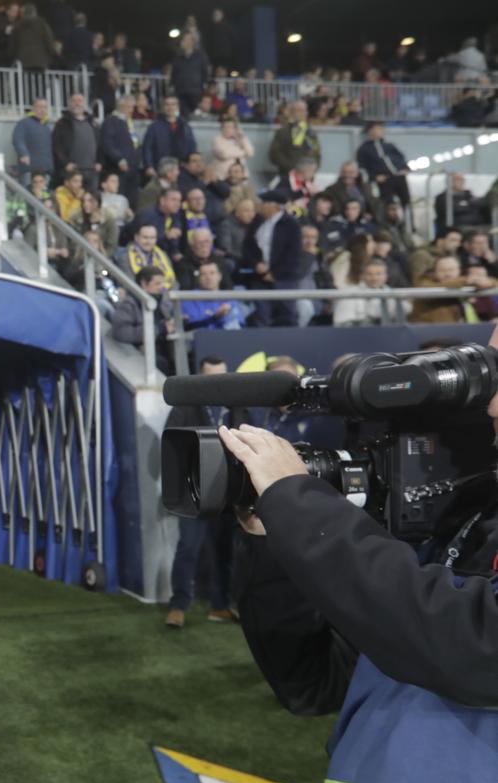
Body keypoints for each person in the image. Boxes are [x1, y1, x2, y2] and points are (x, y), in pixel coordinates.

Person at [218, 323, 498, 783]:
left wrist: (300, 507)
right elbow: (313, 682)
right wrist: (276, 541)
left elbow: (477, 646)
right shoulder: (469, 520)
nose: (491, 402)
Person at [164, 357, 242, 628]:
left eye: (221, 376)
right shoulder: (187, 405)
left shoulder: (236, 406)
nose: (217, 382)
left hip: (228, 493)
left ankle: (220, 605)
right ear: (201, 377)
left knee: (225, 551)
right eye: (211, 377)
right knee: (188, 548)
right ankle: (178, 606)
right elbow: (172, 441)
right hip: (194, 492)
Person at [243, 190, 302, 326]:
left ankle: (290, 344)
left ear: (275, 206)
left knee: (288, 315)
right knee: (261, 315)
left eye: (264, 203)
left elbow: (293, 254)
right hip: (260, 278)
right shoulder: (257, 221)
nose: (261, 205)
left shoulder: (291, 224)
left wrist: (275, 274)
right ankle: (263, 345)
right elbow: (248, 247)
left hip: (284, 278)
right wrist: (256, 264)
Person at [112, 264, 175, 372]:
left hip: (165, 350)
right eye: (157, 283)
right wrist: (158, 329)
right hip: (140, 355)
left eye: (162, 283)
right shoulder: (128, 304)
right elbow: (121, 332)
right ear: (144, 284)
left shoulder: (163, 304)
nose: (162, 287)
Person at [355, 121, 410, 210]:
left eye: (382, 128)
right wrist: (374, 177)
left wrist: (405, 168)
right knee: (386, 204)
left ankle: (404, 221)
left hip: (399, 177)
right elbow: (362, 167)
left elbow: (401, 157)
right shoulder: (364, 149)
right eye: (378, 128)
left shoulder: (389, 146)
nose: (381, 131)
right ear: (370, 131)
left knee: (405, 201)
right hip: (383, 180)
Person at [51, 93, 99, 193]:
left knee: (90, 202)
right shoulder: (62, 123)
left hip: (91, 172)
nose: (77, 104)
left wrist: (100, 162)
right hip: (71, 172)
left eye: (80, 101)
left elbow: (100, 144)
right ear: (69, 104)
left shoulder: (93, 123)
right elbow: (56, 146)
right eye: (74, 101)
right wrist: (65, 163)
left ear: (85, 104)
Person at [100, 94, 142, 206]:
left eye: (132, 107)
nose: (131, 110)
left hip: (132, 168)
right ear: (121, 106)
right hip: (118, 169)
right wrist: (119, 159)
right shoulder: (111, 121)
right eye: (129, 107)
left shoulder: (128, 122)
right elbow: (107, 144)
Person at [142, 96, 197, 177]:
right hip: (160, 169)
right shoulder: (154, 127)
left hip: (181, 170)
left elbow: (192, 147)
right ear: (163, 107)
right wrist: (149, 166)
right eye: (167, 104)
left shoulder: (185, 126)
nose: (170, 107)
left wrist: (191, 164)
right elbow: (147, 148)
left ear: (177, 107)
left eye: (173, 104)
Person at [269, 100, 321, 178]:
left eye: (304, 110)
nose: (302, 113)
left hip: (308, 176)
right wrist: (291, 168)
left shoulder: (310, 133)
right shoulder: (283, 132)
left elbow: (317, 153)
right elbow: (275, 154)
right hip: (287, 175)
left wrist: (312, 169)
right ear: (292, 112)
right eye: (299, 110)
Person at [434, 172, 489, 238]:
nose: (461, 182)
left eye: (462, 179)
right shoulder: (442, 198)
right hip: (457, 229)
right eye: (457, 179)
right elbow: (452, 210)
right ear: (449, 182)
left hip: (478, 227)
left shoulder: (469, 196)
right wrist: (470, 206)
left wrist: (465, 206)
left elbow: (482, 206)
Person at [171, 32, 211, 119]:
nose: (182, 42)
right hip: (180, 91)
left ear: (191, 42)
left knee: (197, 114)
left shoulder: (200, 56)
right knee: (183, 116)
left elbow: (205, 73)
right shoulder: (178, 57)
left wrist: (202, 85)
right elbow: (174, 74)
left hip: (195, 91)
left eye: (184, 40)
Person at [12, 97, 52, 182]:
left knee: (44, 195)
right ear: (33, 108)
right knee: (27, 193)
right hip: (29, 170)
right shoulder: (24, 123)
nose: (42, 110)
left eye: (44, 107)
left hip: (45, 171)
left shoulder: (47, 127)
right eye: (39, 107)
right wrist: (23, 154)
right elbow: (18, 140)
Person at [11, 3, 56, 75]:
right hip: (40, 61)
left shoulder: (17, 26)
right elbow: (48, 40)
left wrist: (13, 56)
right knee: (39, 84)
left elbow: (12, 45)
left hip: (23, 61)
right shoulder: (42, 24)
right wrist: (52, 53)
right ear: (35, 12)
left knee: (25, 84)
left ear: (23, 13)